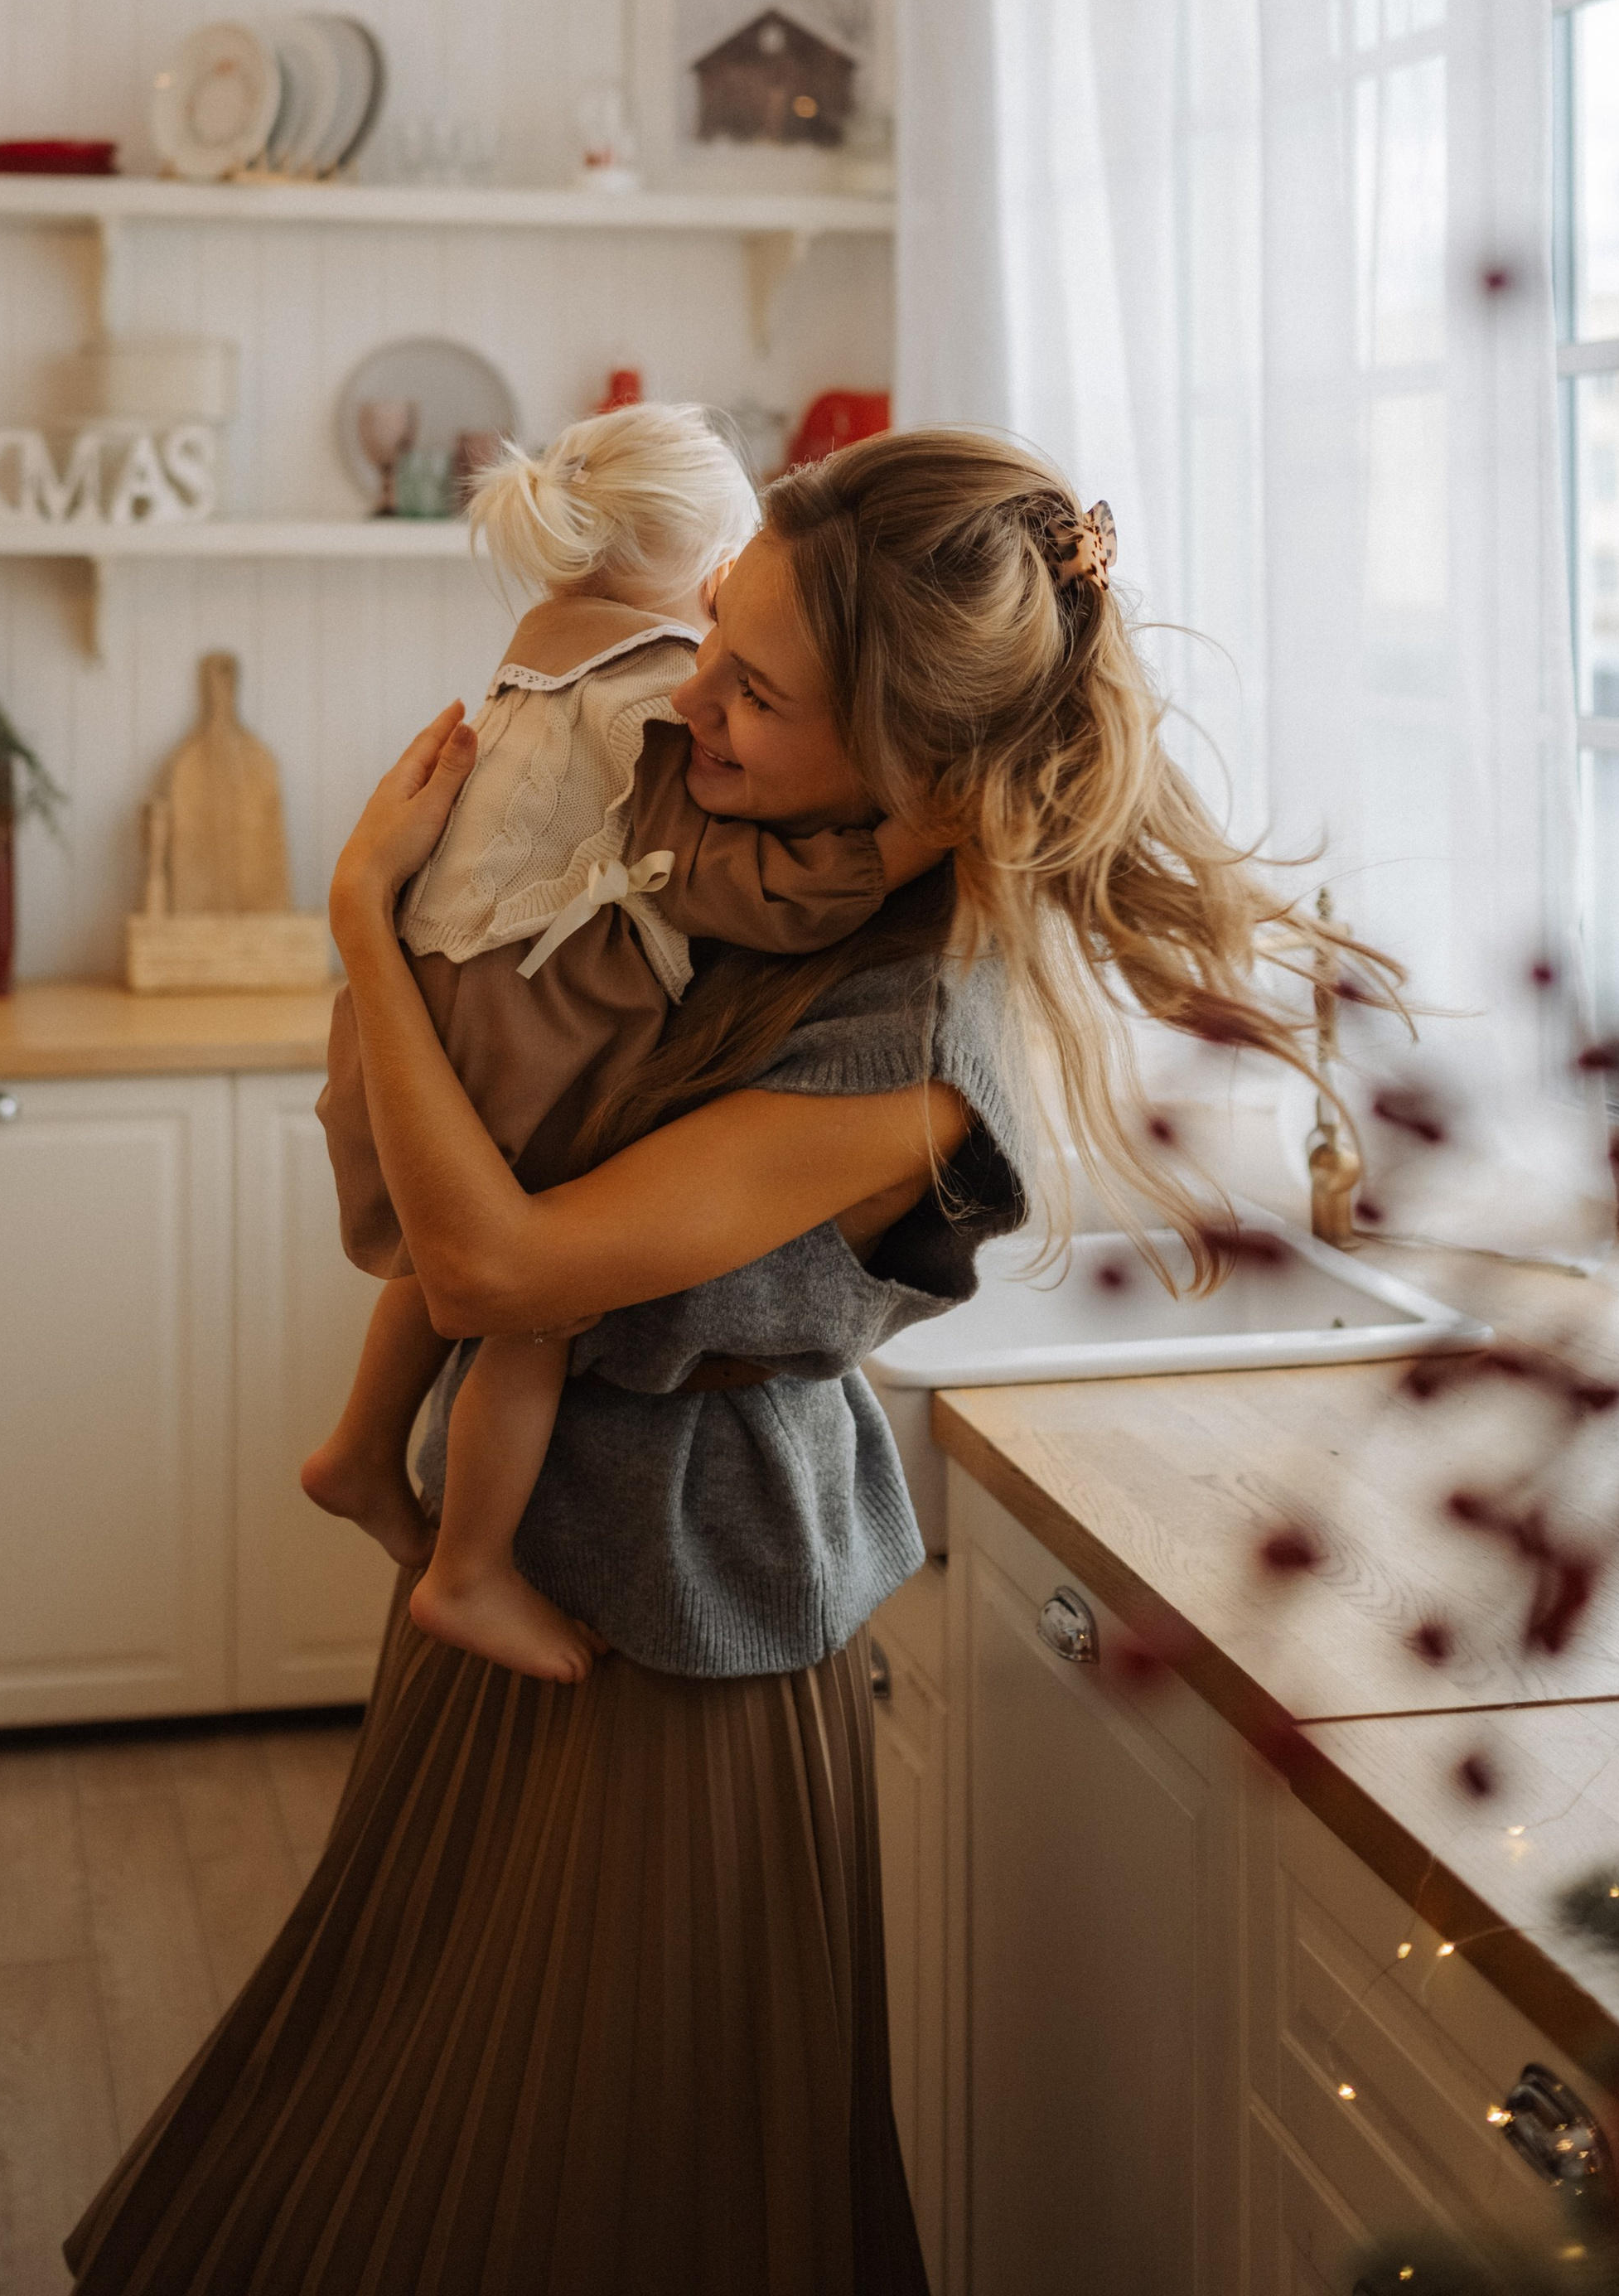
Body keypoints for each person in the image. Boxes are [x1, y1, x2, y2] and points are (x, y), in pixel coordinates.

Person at [67, 429, 1390, 2296]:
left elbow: (486, 1260)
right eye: (709, 636)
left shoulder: (914, 1034)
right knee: (400, 2087)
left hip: (675, 1630)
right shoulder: (776, 854)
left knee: (632, 2177)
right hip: (524, 1552)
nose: (688, 706)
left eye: (751, 687)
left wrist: (359, 918)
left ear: (922, 767)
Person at [303, 398, 938, 1683]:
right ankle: (468, 1570)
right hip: (537, 1022)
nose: (722, 665)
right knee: (535, 1302)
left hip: (434, 1007)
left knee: (436, 1253)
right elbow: (727, 886)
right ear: (705, 560)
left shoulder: (532, 656)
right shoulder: (657, 694)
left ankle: (362, 1448)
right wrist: (896, 849)